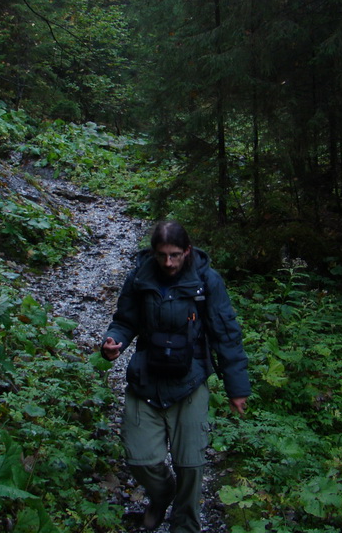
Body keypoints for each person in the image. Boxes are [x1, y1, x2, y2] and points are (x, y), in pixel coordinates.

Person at [100, 221, 250, 533]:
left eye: (175, 255)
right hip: (146, 378)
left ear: (187, 251)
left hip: (190, 380)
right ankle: (162, 493)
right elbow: (125, 321)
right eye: (162, 255)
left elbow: (226, 334)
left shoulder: (207, 280)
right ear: (153, 253)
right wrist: (114, 341)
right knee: (140, 459)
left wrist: (236, 388)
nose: (168, 262)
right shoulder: (140, 277)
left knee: (191, 467)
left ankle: (185, 526)